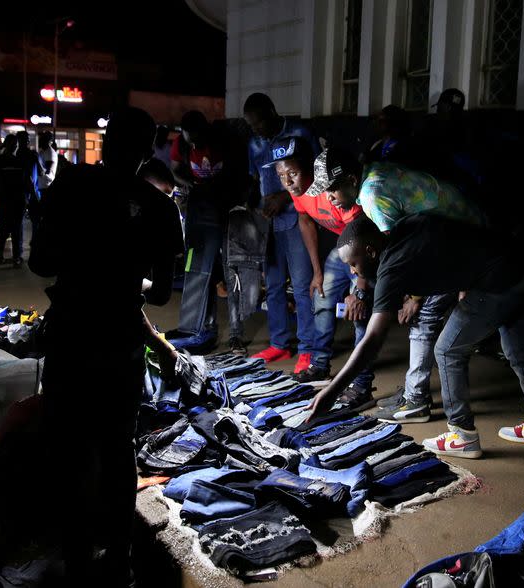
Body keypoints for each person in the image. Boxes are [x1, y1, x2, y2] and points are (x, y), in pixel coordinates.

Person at [29, 107, 183, 586]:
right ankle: (120, 558)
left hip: (72, 330)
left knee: (70, 446)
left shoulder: (69, 188)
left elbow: (38, 264)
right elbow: (159, 293)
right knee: (118, 448)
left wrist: (85, 261)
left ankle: (75, 556)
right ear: (147, 149)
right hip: (119, 335)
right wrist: (123, 269)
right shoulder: (159, 207)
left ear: (107, 141)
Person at [305, 215, 524, 459]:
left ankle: (462, 435)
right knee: (517, 346)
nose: (351, 270)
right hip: (520, 262)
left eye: (353, 264)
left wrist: (331, 391)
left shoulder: (391, 267)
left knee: (447, 350)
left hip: (495, 282)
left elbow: (372, 340)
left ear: (371, 252)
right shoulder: (405, 225)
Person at [311, 147, 484, 420]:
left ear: (352, 181)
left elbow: (401, 256)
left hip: (458, 239)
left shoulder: (371, 196)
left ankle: (416, 400)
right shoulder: (373, 173)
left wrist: (414, 296)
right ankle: (415, 392)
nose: (329, 197)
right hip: (451, 233)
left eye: (332, 189)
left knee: (422, 320)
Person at [268, 137, 376, 406]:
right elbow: (305, 222)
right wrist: (316, 272)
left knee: (359, 313)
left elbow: (363, 240)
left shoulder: (334, 190)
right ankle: (320, 365)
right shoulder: (297, 192)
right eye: (281, 175)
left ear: (308, 168)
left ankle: (362, 386)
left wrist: (360, 287)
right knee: (323, 297)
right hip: (342, 249)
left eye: (293, 173)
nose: (288, 181)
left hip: (365, 250)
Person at [243, 92, 321, 374]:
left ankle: (308, 348)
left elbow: (316, 174)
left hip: (297, 217)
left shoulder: (300, 132)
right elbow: (255, 179)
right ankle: (279, 343)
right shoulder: (254, 143)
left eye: (260, 123)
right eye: (252, 126)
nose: (257, 130)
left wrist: (284, 198)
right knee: (273, 286)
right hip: (268, 224)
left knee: (301, 286)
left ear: (273, 112)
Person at [167, 111, 244, 353]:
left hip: (226, 206)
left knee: (232, 272)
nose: (196, 145)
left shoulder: (223, 139)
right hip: (199, 209)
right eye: (192, 142)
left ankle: (236, 335)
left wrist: (220, 189)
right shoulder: (182, 142)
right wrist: (191, 185)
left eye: (199, 141)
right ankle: (202, 328)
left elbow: (238, 173)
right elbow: (175, 169)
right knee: (198, 268)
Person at [0, 134, 28, 267]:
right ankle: (16, 257)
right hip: (17, 200)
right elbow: (26, 182)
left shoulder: (0, 161)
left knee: (3, 229)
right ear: (15, 146)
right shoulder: (20, 162)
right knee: (16, 230)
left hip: (4, 200)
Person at [15, 131, 45, 246]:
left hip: (18, 191)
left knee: (18, 223)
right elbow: (42, 172)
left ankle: (18, 250)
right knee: (35, 220)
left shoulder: (16, 155)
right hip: (33, 191)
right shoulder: (33, 154)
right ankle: (35, 241)